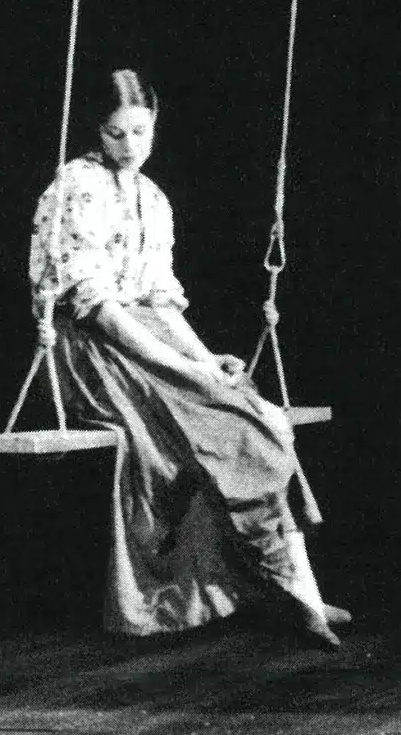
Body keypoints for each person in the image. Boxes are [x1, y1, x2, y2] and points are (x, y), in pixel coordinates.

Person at [28, 68, 349, 648]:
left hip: (145, 336)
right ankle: (292, 591)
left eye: (141, 132)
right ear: (96, 133)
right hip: (97, 347)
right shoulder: (77, 185)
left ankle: (298, 583)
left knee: (257, 410)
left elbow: (160, 301)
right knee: (226, 425)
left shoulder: (153, 197)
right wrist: (180, 370)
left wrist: (206, 359)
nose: (130, 147)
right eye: (116, 134)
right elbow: (98, 308)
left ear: (156, 125)